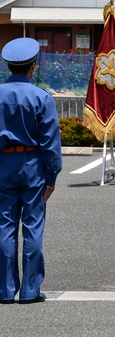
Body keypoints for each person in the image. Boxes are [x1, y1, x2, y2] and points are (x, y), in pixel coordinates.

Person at [0, 37, 62, 304]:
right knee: (33, 227)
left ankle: (4, 290)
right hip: (33, 165)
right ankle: (29, 291)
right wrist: (52, 176)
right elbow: (50, 142)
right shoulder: (41, 97)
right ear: (33, 66)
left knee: (4, 226)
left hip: (3, 164)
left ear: (8, 67)